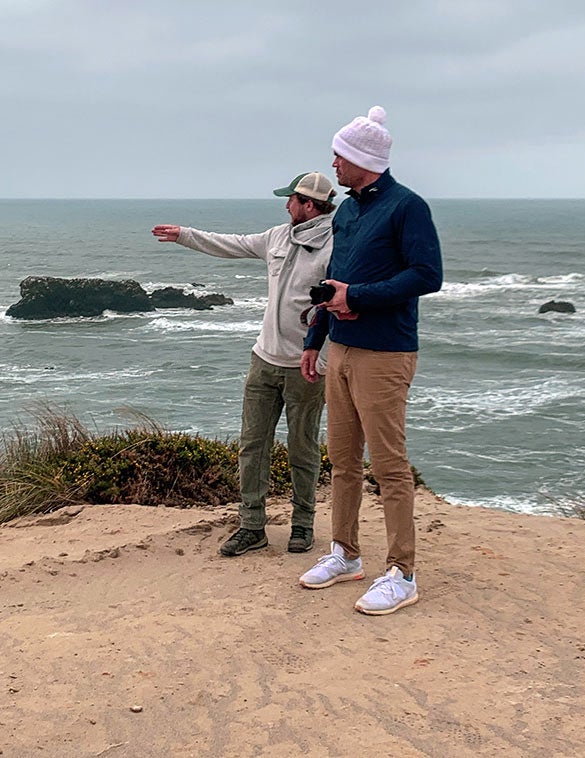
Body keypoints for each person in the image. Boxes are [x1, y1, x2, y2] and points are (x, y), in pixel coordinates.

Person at [297, 106, 443, 615]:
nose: (333, 163)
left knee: (388, 466)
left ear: (363, 158)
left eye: (340, 155)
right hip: (339, 348)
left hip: (386, 352)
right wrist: (315, 337)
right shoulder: (348, 211)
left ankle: (402, 573)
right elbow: (333, 279)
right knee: (341, 460)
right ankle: (345, 554)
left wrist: (357, 296)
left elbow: (428, 275)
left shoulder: (407, 207)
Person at [151, 172, 337, 557]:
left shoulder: (337, 244)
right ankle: (252, 526)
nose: (285, 205)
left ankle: (303, 525)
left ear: (309, 204)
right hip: (263, 360)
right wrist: (184, 235)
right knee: (252, 446)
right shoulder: (276, 237)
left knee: (302, 449)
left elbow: (339, 305)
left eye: (291, 199)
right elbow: (231, 244)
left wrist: (323, 357)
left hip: (307, 366)